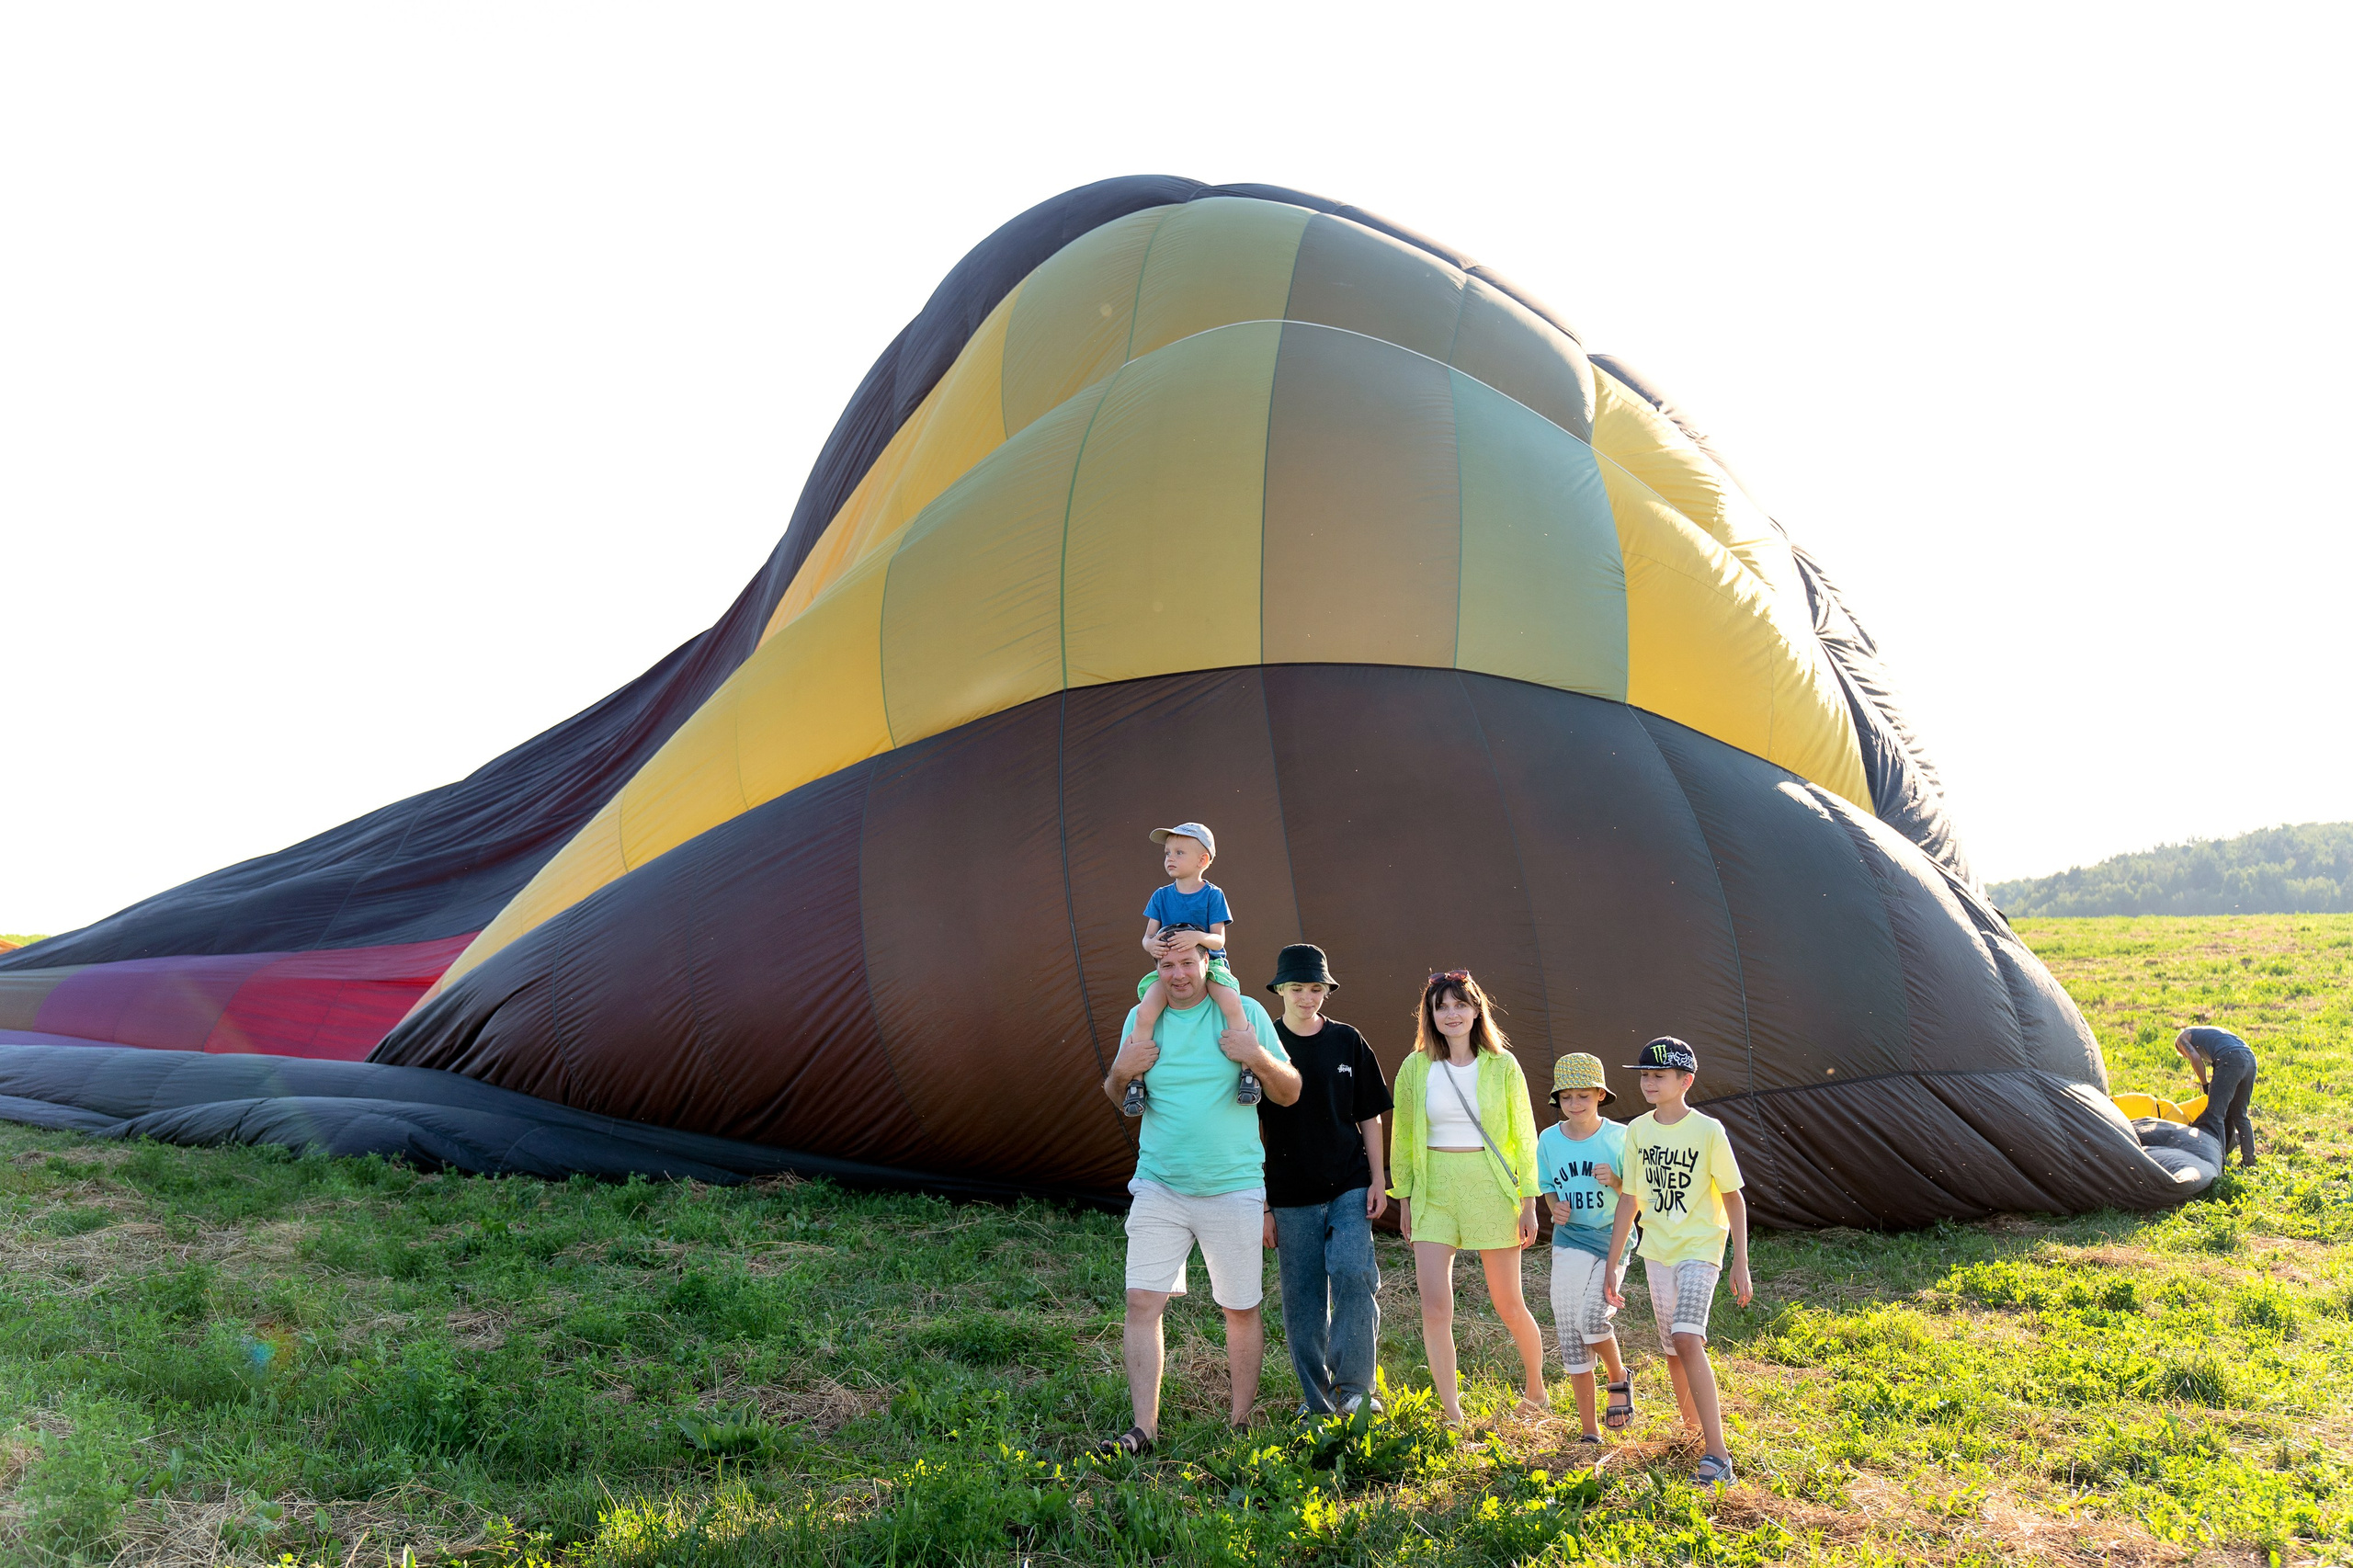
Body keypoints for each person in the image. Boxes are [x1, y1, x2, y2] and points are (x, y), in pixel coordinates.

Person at [1097, 941, 1302, 1456]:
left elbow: (1290, 1090)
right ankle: (1144, 1429)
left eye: (1188, 962)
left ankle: (1240, 1421)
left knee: (1240, 1306)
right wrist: (1123, 1069)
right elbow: (1118, 1096)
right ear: (1155, 967)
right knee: (1142, 1300)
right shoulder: (1143, 1017)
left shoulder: (1245, 1011)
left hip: (1232, 1186)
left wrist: (1254, 1055)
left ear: (1208, 962)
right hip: (1159, 1184)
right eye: (1167, 965)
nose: (1178, 974)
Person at [1389, 970, 1548, 1427]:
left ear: (1477, 1009)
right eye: (1442, 1006)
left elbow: (1524, 1134)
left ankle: (1536, 1392)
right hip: (1435, 1189)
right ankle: (1453, 1411)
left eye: (1460, 1004)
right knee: (1436, 1305)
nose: (1451, 1014)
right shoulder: (1414, 1068)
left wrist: (1527, 1200)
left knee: (1508, 1303)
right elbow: (1403, 1138)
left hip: (1490, 1184)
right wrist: (1407, 1196)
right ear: (1431, 1015)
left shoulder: (1502, 1066)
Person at [1601, 1037, 1751, 1489]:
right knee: (1672, 1350)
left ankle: (1718, 1454)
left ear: (1685, 1081)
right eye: (1643, 1074)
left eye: (1657, 1075)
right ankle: (1691, 1434)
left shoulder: (1708, 1131)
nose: (1647, 1082)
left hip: (1702, 1249)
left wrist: (1739, 1261)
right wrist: (1613, 1261)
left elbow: (1734, 1198)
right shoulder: (1638, 1131)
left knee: (1687, 1338)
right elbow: (1630, 1198)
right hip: (1657, 1251)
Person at [1256, 944, 1393, 1417]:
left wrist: (1378, 1180)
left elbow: (1370, 1115)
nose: (1308, 997)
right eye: (1298, 988)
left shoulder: (1347, 1041)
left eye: (1316, 988)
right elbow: (1248, 1130)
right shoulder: (1263, 1043)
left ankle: (1356, 1389)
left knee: (1354, 1273)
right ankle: (1315, 1400)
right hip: (1289, 1192)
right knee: (1303, 1297)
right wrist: (1264, 1206)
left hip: (1349, 1183)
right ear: (1279, 990)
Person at [1122, 823, 1256, 1116]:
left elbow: (1218, 938)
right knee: (1145, 1012)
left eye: (1179, 852)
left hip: (1211, 965)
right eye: (1167, 852)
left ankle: (1249, 1073)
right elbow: (1147, 937)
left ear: (1202, 861)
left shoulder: (1212, 895)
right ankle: (1136, 1082)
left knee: (1233, 1004)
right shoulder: (1160, 896)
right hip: (1172, 968)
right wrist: (1151, 946)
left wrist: (1198, 938)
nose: (1170, 857)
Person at [1538, 1052, 1633, 1445]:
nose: (1574, 1104)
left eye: (1583, 1096)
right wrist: (1554, 1207)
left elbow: (1636, 1196)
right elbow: (1547, 1186)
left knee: (1592, 1321)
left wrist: (1615, 1181)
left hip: (1613, 1237)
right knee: (1569, 1330)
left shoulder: (1619, 1137)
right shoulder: (1549, 1139)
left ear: (1599, 1094)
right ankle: (1589, 1431)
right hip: (1571, 1240)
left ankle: (1619, 1376)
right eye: (1566, 1097)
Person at [2177, 1026, 2258, 1167]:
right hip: (2250, 1059)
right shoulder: (2206, 1031)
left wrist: (2205, 1084)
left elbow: (2195, 1058)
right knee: (2240, 1114)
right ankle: (2249, 1160)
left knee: (2215, 1115)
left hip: (2230, 1058)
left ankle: (2220, 1162)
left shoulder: (2182, 1038)